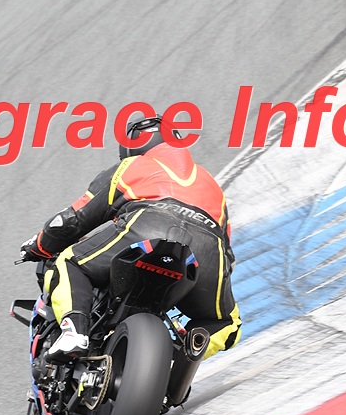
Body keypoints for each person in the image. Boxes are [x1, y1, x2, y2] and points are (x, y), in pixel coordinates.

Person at [17, 115, 241, 360]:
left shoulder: (132, 166)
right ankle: (180, 356)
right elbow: (228, 257)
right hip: (207, 251)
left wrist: (39, 245)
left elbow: (73, 220)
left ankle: (75, 334)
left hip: (147, 226)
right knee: (228, 324)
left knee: (69, 263)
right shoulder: (212, 185)